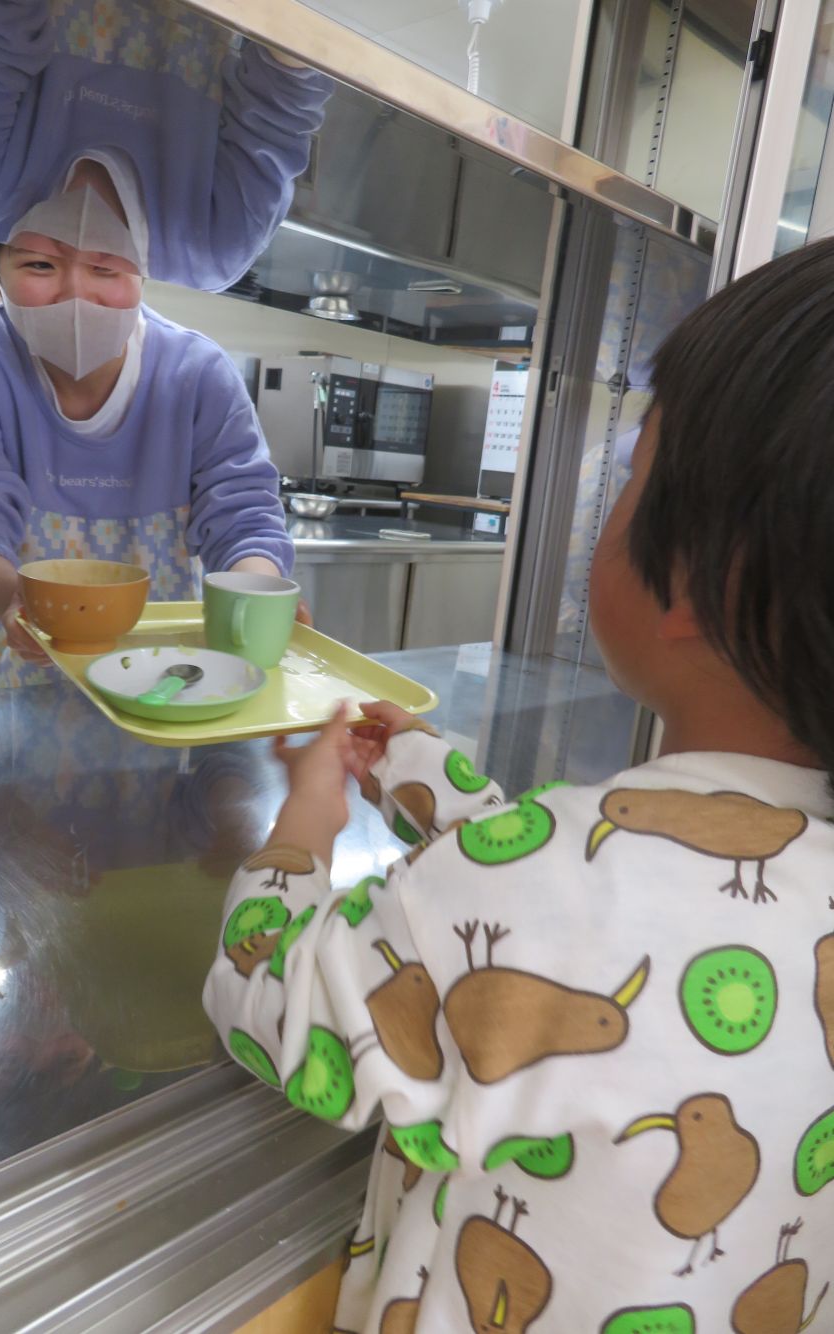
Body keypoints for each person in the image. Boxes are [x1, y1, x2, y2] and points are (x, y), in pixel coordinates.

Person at [203, 238, 834, 1329]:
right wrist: (413, 773)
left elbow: (278, 1009)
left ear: (698, 579)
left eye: (633, 470)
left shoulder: (556, 884)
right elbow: (581, 903)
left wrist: (307, 810)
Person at [0, 160, 296, 690]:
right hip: (23, 676)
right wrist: (13, 601)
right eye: (39, 264)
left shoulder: (198, 374)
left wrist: (257, 603)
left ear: (144, 269)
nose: (77, 294)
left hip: (165, 681)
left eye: (106, 268)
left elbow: (243, 515)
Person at [0, 0, 332, 290]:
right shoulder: (212, 248)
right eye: (101, 291)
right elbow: (284, 98)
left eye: (41, 266)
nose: (79, 258)